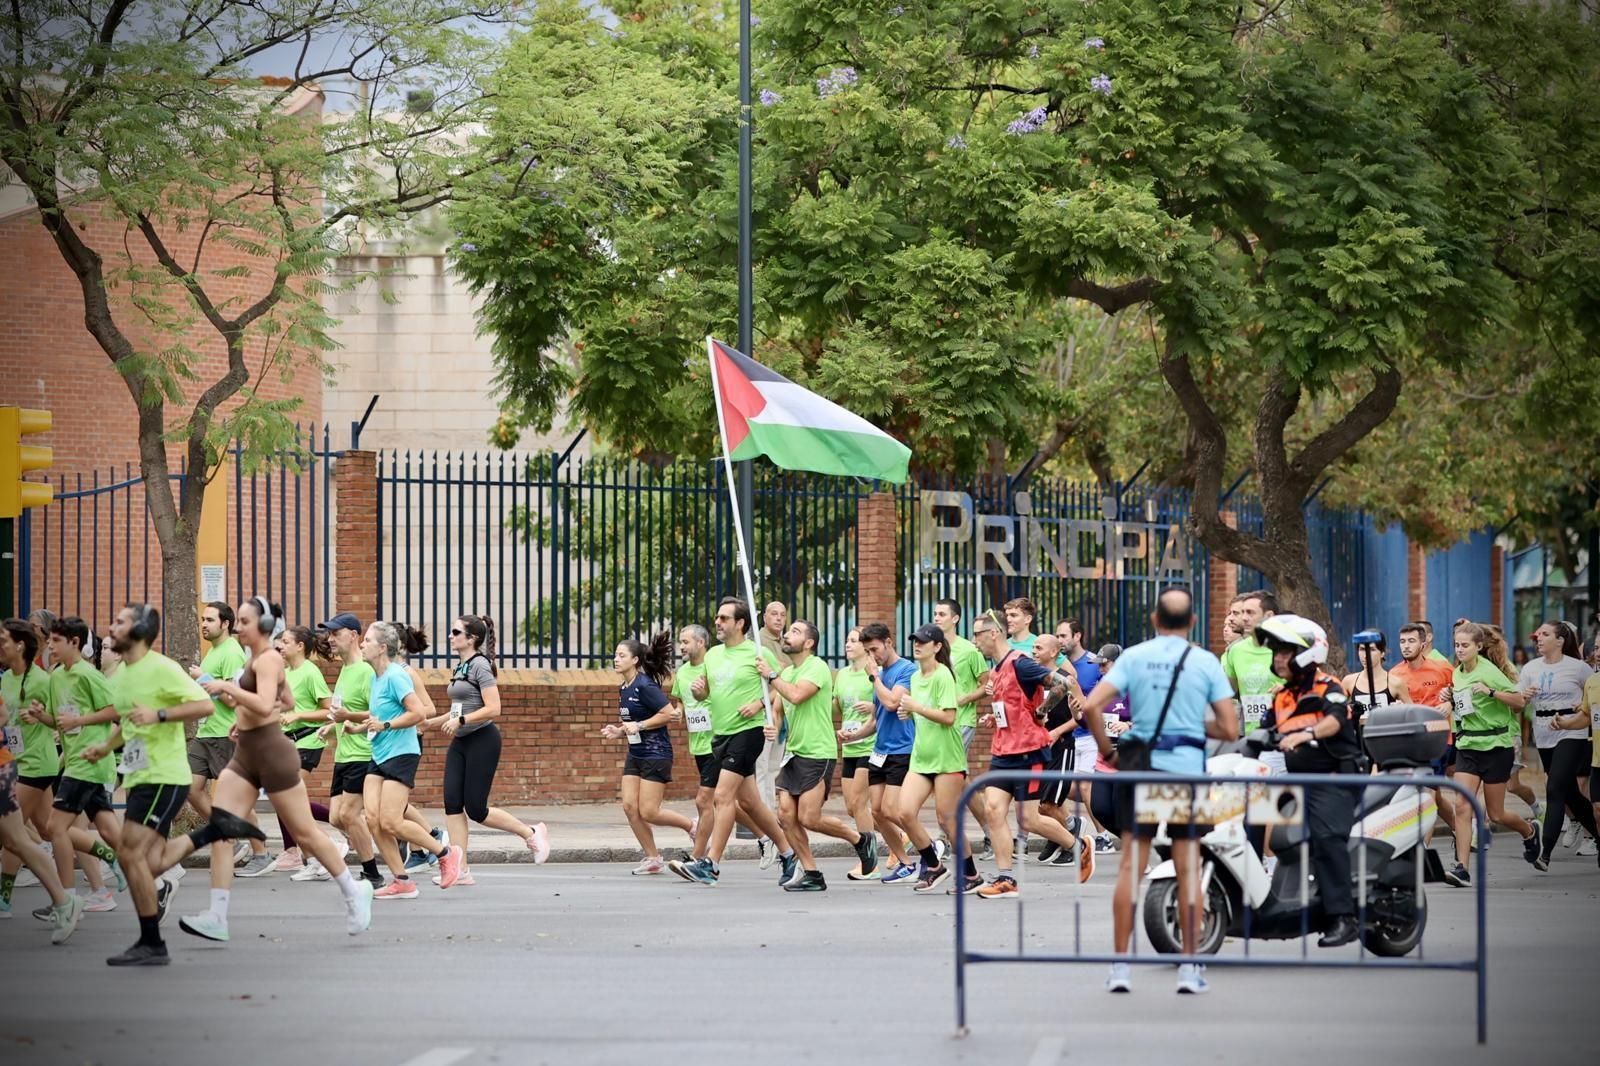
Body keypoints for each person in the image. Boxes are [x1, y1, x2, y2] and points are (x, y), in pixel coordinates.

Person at [181, 597, 375, 942]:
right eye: (237, 621)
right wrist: (248, 721)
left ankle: (353, 889)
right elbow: (284, 701)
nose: (237, 626)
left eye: (243, 621)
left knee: (304, 833)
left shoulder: (268, 659)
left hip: (273, 752)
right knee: (222, 829)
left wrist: (226, 687)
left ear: (264, 626)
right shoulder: (254, 659)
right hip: (246, 753)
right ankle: (216, 915)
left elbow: (265, 698)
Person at [1080, 587, 1238, 996]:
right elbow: (1228, 728)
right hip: (1185, 772)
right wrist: (1188, 729)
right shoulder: (1204, 661)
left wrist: (1107, 752)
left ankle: (1119, 967)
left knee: (1132, 864)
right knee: (1188, 868)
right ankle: (1189, 967)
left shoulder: (1133, 657)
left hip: (1140, 768)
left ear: (1154, 620)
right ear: (1192, 622)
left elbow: (1092, 706)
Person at [85, 604, 262, 965]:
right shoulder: (120, 676)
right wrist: (104, 746)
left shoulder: (161, 668)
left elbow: (204, 706)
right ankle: (213, 832)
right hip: (140, 775)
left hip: (164, 776)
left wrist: (159, 714)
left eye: (119, 622)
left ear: (138, 631)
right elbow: (129, 723)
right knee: (150, 861)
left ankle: (151, 943)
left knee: (130, 855)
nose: (111, 628)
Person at [668, 598, 798, 885]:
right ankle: (789, 853)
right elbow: (708, 695)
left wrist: (759, 705)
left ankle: (710, 864)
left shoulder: (758, 653)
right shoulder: (713, 655)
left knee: (721, 797)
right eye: (717, 617)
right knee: (750, 803)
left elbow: (778, 690)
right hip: (721, 733)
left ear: (740, 623)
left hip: (748, 732)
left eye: (724, 618)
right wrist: (700, 692)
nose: (718, 622)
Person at [968, 613, 1090, 899]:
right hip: (1003, 751)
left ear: (994, 632)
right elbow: (1010, 707)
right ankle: (1006, 878)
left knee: (1029, 820)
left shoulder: (1020, 663)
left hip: (1029, 752)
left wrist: (1043, 710)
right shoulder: (997, 670)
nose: (975, 641)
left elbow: (1064, 682)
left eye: (978, 634)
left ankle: (1079, 847)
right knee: (993, 809)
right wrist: (994, 719)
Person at [1258, 615, 1362, 948]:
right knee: (1254, 821)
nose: (1278, 658)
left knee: (1325, 837)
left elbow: (1335, 720)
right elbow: (1263, 733)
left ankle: (1343, 917)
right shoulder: (1281, 696)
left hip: (1333, 779)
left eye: (1285, 651)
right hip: (1297, 783)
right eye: (1276, 651)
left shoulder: (1327, 687)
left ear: (1308, 653)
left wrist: (1307, 734)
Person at [424, 614, 549, 883]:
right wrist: (425, 723)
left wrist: (461, 720)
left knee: (477, 809)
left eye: (456, 632)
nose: (450, 636)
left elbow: (494, 708)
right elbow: (458, 709)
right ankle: (461, 870)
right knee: (452, 804)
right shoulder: (460, 667)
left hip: (483, 739)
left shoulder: (480, 665)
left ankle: (530, 833)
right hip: (461, 741)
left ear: (472, 639)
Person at [760, 620, 878, 891]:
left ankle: (859, 839)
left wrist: (772, 676)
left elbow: (798, 696)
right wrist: (773, 727)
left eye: (795, 632)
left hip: (817, 752)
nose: (788, 635)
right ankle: (812, 872)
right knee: (787, 816)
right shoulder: (787, 672)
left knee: (809, 818)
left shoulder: (817, 667)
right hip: (793, 752)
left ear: (809, 643)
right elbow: (779, 707)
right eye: (788, 632)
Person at [358, 621, 463, 898]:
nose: (361, 644)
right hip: (379, 752)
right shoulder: (374, 677)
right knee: (372, 819)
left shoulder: (396, 675)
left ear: (382, 648)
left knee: (391, 821)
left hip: (401, 753)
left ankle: (444, 852)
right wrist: (360, 725)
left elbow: (419, 713)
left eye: (367, 640)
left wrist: (387, 726)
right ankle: (402, 881)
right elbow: (379, 717)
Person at [42, 617, 125, 914]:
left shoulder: (88, 675)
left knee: (55, 827)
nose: (50, 646)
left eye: (56, 641)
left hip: (88, 762)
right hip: (77, 760)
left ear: (75, 643)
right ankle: (156, 880)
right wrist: (40, 716)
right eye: (49, 640)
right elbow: (57, 721)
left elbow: (115, 710)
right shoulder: (56, 677)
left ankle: (66, 900)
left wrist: (79, 721)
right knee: (110, 833)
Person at [1447, 621, 1539, 881]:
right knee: (1462, 806)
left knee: (1496, 814)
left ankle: (1530, 831)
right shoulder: (1458, 672)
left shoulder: (1490, 672)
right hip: (1468, 746)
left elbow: (1519, 703)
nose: (1460, 649)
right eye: (1457, 645)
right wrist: (1450, 697)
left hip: (1496, 747)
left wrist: (1491, 692)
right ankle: (1461, 868)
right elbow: (1464, 705)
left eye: (1465, 645)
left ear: (1479, 646)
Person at [184, 602, 270, 877]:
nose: (204, 624)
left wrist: (204, 678)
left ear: (225, 624)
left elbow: (234, 698)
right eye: (202, 619)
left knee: (237, 800)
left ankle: (261, 852)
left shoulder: (232, 653)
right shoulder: (212, 652)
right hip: (206, 732)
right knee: (191, 787)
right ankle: (228, 838)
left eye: (210, 619)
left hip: (225, 733)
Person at [604, 633, 693, 875]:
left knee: (649, 811)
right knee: (630, 807)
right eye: (615, 655)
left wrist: (640, 726)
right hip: (636, 753)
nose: (616, 659)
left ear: (635, 660)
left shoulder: (645, 685)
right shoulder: (624, 687)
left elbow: (669, 714)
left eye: (621, 655)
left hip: (656, 752)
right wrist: (620, 731)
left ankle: (691, 826)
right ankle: (653, 858)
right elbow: (634, 722)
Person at [893, 624, 972, 893]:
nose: (917, 645)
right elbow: (923, 713)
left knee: (947, 819)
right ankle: (934, 865)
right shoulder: (916, 677)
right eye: (915, 640)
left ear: (937, 647)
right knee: (903, 812)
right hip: (921, 757)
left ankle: (971, 875)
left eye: (923, 642)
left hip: (947, 758)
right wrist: (910, 713)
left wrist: (917, 707)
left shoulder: (943, 676)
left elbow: (949, 717)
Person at [1520, 621, 1597, 871]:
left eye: (1545, 634)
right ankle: (1597, 834)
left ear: (1561, 640)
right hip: (1543, 734)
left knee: (1554, 788)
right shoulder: (1530, 668)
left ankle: (1545, 852)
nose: (1538, 638)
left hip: (1572, 732)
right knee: (1571, 794)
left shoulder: (1578, 668)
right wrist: (1524, 697)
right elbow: (1518, 702)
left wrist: (1580, 708)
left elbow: (1591, 697)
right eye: (1537, 635)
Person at [315, 612, 384, 888]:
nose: (330, 640)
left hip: (362, 753)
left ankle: (373, 873)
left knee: (348, 815)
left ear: (353, 636)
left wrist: (346, 718)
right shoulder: (345, 668)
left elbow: (376, 712)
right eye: (330, 634)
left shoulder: (367, 671)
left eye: (336, 633)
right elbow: (341, 709)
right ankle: (390, 837)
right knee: (335, 817)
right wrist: (330, 726)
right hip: (343, 754)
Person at [0, 712, 83, 941]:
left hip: (9, 769)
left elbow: (3, 714)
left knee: (20, 838)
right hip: (13, 767)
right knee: (16, 839)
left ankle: (64, 900)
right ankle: (64, 901)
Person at [1, 616, 60, 908]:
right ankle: (108, 858)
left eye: (3, 641)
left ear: (19, 645)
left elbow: (62, 722)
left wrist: (39, 716)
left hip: (37, 763)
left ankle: (4, 899)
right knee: (49, 829)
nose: (0, 646)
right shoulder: (6, 678)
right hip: (15, 761)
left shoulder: (42, 680)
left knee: (12, 835)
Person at [833, 626, 900, 879]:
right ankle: (900, 837)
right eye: (847, 640)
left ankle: (869, 862)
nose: (849, 644)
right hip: (851, 744)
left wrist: (871, 704)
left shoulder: (875, 673)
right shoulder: (841, 676)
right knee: (851, 807)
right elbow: (837, 706)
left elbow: (885, 703)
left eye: (854, 641)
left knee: (861, 805)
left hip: (870, 746)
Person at [858, 620, 920, 885]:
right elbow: (877, 717)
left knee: (894, 809)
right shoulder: (880, 675)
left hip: (902, 749)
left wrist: (874, 677)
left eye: (875, 649)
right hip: (880, 751)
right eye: (868, 652)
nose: (872, 656)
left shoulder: (907, 669)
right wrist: (854, 735)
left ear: (888, 642)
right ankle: (906, 863)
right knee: (878, 813)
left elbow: (893, 703)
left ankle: (929, 846)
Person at [271, 624, 336, 874]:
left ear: (300, 646)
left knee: (287, 797)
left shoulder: (310, 672)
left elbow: (329, 711)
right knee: (282, 797)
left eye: (286, 642)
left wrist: (299, 717)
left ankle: (330, 839)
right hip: (288, 743)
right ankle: (296, 852)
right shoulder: (286, 672)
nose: (281, 646)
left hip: (308, 741)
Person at [934, 599, 993, 860]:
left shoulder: (970, 650)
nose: (937, 617)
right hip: (937, 722)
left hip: (963, 721)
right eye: (935, 613)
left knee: (945, 775)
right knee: (961, 780)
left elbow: (986, 684)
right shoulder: (933, 648)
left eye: (942, 614)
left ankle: (944, 838)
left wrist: (964, 699)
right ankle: (991, 831)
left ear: (955, 619)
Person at [1059, 618, 1116, 855]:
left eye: (1063, 636)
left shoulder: (1096, 667)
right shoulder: (1059, 665)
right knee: (1065, 788)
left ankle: (1104, 837)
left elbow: (1094, 707)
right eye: (1057, 636)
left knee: (1085, 786)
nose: (1060, 640)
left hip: (1095, 737)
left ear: (1077, 636)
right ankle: (1076, 824)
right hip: (1074, 735)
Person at [1219, 591, 1281, 761]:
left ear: (1269, 616)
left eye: (1250, 613)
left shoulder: (1285, 647)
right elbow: (1228, 691)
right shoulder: (1236, 650)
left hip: (1282, 737)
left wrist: (1287, 689)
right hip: (1250, 737)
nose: (1244, 618)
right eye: (1243, 612)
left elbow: (1313, 684)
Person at [751, 600, 793, 832]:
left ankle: (772, 814)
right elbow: (778, 678)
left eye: (782, 614)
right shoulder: (758, 642)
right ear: (764, 616)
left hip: (783, 712)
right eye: (773, 614)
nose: (778, 618)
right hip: (765, 710)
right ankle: (764, 816)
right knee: (762, 765)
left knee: (775, 767)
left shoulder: (786, 642)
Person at [1339, 632, 1411, 731]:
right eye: (1362, 649)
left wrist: (1402, 711)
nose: (1366, 655)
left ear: (1382, 652)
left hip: (1385, 739)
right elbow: (1335, 712)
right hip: (1358, 740)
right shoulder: (1349, 681)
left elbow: (1413, 716)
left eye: (1372, 649)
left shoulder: (1395, 683)